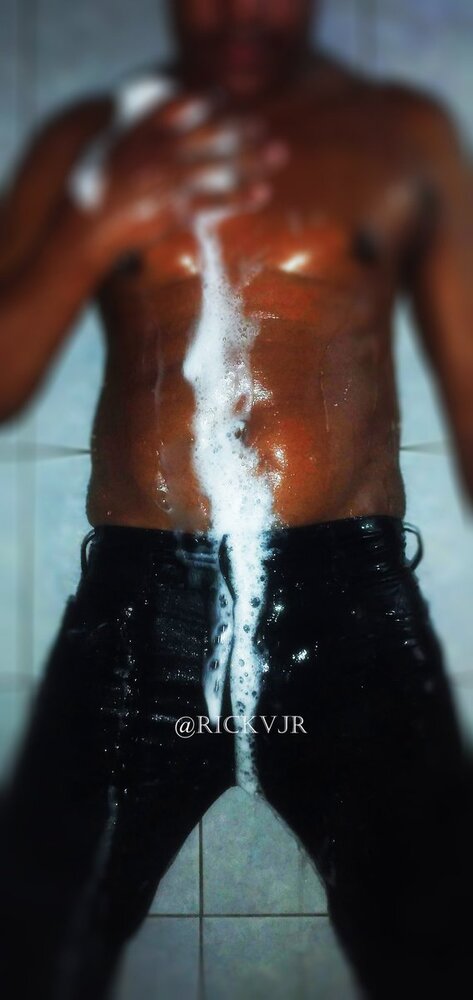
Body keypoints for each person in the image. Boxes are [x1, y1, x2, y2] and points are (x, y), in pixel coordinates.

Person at [0, 1, 472, 997]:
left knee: (440, 949)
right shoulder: (88, 140)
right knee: (33, 947)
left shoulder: (400, 133)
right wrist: (94, 228)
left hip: (346, 602)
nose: (241, 11)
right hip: (142, 606)